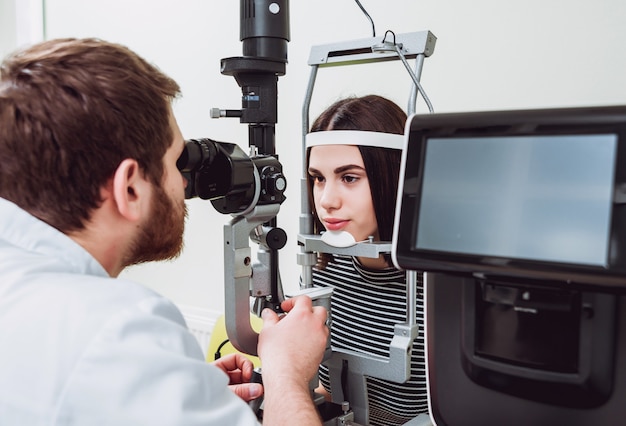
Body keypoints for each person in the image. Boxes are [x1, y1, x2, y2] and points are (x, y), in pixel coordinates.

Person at [0, 37, 328, 425]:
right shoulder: (121, 330)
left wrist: (184, 393)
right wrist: (286, 373)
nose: (185, 186)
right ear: (130, 188)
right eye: (176, 163)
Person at [305, 95, 428, 425]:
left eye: (349, 177)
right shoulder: (325, 270)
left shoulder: (439, 292)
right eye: (318, 178)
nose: (327, 200)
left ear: (394, 177)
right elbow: (328, 394)